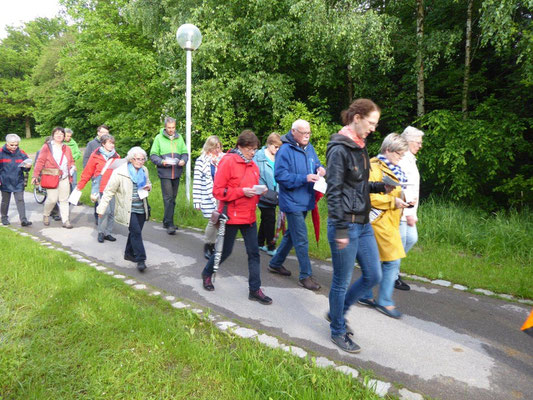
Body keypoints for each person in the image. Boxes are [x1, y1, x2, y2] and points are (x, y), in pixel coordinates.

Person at [325, 98, 389, 353]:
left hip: (362, 224)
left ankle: (337, 312)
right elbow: (335, 191)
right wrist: (340, 229)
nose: (374, 128)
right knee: (341, 281)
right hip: (345, 226)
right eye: (371, 123)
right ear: (357, 118)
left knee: (374, 274)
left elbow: (357, 186)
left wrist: (378, 187)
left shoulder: (359, 146)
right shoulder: (339, 148)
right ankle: (338, 330)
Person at [200, 130, 273, 305]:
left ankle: (255, 289)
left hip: (249, 217)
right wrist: (242, 192)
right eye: (250, 149)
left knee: (254, 253)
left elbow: (252, 191)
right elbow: (218, 191)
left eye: (255, 149)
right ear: (240, 146)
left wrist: (259, 192)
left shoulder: (253, 165)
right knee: (225, 251)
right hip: (231, 216)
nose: (253, 152)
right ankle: (207, 273)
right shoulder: (228, 162)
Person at [267, 119, 326, 290]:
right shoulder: (284, 150)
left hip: (306, 199)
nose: (307, 135)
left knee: (292, 235)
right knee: (301, 239)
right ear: (294, 132)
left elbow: (316, 164)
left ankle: (275, 263)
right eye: (303, 132)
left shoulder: (309, 148)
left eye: (309, 132)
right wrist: (304, 178)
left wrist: (321, 169)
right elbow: (280, 176)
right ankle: (305, 276)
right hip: (292, 202)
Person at [359, 133, 412, 320]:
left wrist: (406, 200)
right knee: (392, 261)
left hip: (389, 221)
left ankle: (364, 295)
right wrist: (393, 202)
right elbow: (371, 196)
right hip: (379, 222)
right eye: (399, 154)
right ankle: (384, 300)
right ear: (388, 150)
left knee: (374, 262)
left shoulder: (394, 169)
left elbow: (396, 192)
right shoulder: (375, 167)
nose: (401, 158)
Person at [97, 147, 152, 272]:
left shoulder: (144, 170)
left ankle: (128, 253)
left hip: (141, 207)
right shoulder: (120, 172)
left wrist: (149, 187)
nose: (141, 161)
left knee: (134, 232)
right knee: (136, 232)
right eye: (138, 159)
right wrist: (101, 209)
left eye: (143, 159)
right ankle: (141, 259)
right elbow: (109, 191)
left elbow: (148, 183)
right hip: (127, 208)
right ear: (131, 159)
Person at [395, 126, 424, 291]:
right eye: (418, 142)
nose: (420, 146)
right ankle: (392, 274)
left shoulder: (410, 159)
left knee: (410, 239)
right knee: (401, 242)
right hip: (402, 210)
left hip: (409, 210)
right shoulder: (403, 159)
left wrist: (412, 212)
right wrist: (407, 212)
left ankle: (389, 266)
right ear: (409, 142)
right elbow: (400, 187)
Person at [77, 134, 121, 243]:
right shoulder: (95, 155)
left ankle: (108, 232)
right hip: (100, 187)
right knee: (104, 211)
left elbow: (120, 172)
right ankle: (101, 232)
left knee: (111, 212)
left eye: (113, 143)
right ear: (103, 144)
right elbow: (88, 171)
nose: (111, 145)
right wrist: (80, 186)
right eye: (109, 143)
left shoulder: (116, 156)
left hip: (112, 187)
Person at [149, 117, 188, 235]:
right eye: (169, 128)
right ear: (165, 127)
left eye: (173, 127)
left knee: (173, 199)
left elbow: (185, 153)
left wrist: (183, 160)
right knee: (168, 198)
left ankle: (166, 221)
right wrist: (162, 162)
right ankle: (170, 224)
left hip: (176, 171)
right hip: (165, 172)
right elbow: (153, 155)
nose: (171, 130)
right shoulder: (158, 138)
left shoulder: (179, 138)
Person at [32, 127, 75, 228]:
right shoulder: (47, 147)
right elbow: (40, 161)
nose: (59, 135)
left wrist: (73, 166)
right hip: (51, 177)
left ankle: (66, 220)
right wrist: (35, 175)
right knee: (52, 199)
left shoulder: (67, 148)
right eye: (57, 133)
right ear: (53, 135)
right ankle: (46, 214)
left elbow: (71, 160)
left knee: (64, 200)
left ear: (64, 136)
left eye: (61, 134)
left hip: (64, 177)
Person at [192, 135, 224, 259]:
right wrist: (197, 201)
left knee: (219, 221)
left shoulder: (223, 158)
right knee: (213, 220)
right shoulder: (201, 160)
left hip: (221, 195)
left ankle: (213, 244)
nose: (217, 150)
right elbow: (197, 182)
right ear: (209, 147)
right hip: (208, 195)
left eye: (219, 147)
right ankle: (208, 245)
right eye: (215, 147)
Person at [253, 132, 282, 256]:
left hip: (276, 193)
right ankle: (271, 246)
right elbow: (254, 174)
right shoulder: (259, 156)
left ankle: (259, 243)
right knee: (270, 218)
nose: (278, 149)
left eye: (279, 147)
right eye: (275, 147)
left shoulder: (279, 156)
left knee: (265, 219)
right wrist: (260, 189)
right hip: (263, 193)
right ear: (269, 144)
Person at [0, 134, 32, 226]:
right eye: (12, 145)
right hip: (5, 181)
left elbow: (25, 167)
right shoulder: (1, 152)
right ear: (7, 143)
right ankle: (4, 218)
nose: (14, 147)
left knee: (20, 200)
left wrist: (28, 167)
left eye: (16, 145)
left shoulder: (21, 153)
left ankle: (23, 220)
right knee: (5, 201)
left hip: (18, 181)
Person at [83, 124, 110, 224]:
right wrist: (89, 173)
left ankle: (107, 217)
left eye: (106, 133)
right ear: (98, 133)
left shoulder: (110, 143)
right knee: (97, 196)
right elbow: (86, 158)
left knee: (107, 197)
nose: (104, 134)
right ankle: (97, 217)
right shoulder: (92, 144)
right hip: (96, 176)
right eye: (102, 132)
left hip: (108, 176)